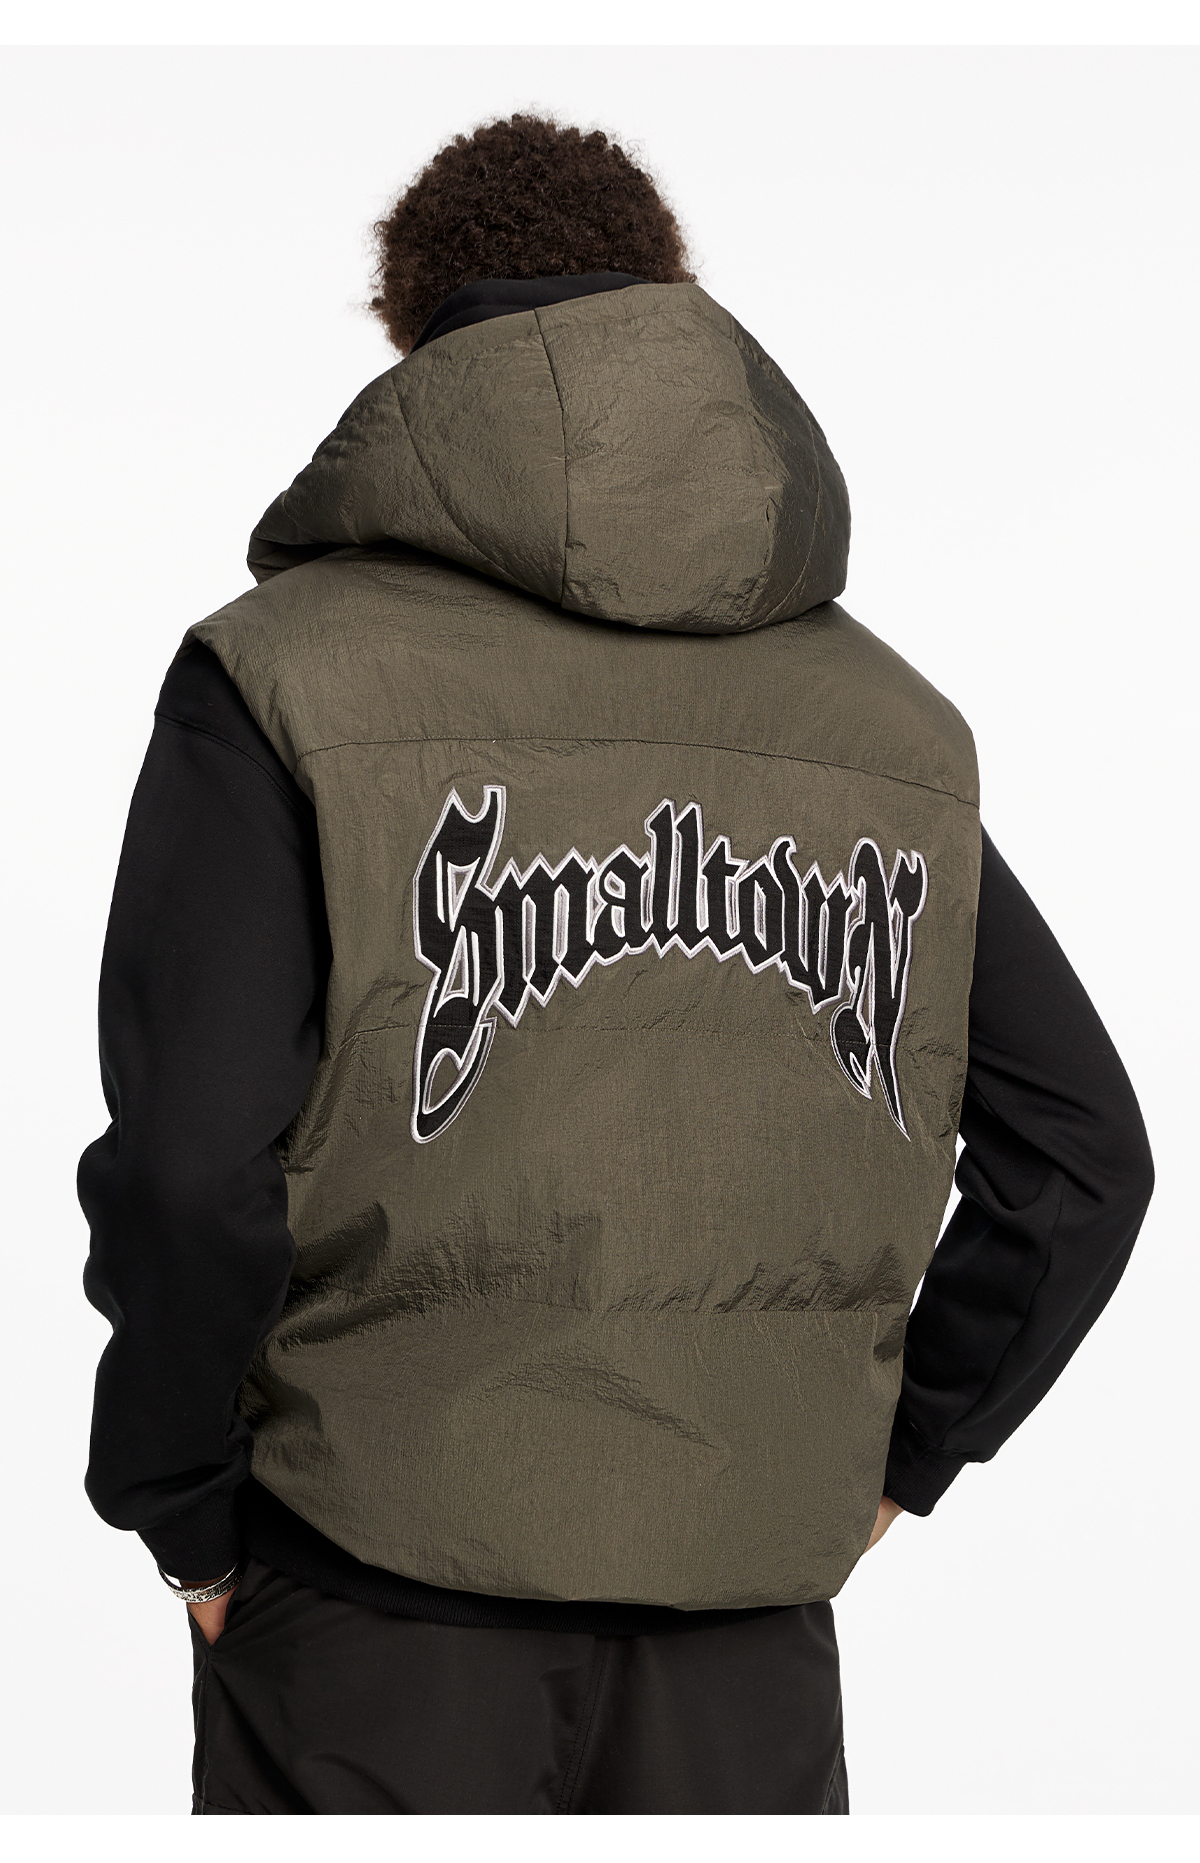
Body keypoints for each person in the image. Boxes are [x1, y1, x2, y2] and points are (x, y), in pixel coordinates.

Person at [79, 113, 1153, 1817]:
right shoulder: (889, 732)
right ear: (668, 298)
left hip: (369, 1616)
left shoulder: (282, 680)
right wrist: (901, 1455)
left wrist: (179, 1509)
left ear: (414, 333)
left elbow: (193, 1161)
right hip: (749, 1643)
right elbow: (1083, 1156)